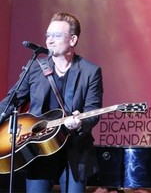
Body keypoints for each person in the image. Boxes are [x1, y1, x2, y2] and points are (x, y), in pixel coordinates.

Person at [0, 12, 103, 192]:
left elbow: (93, 111)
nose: (49, 40)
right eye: (48, 35)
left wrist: (80, 122)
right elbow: (10, 102)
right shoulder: (35, 67)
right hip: (38, 151)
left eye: (56, 35)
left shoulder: (90, 71)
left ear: (72, 40)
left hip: (74, 151)